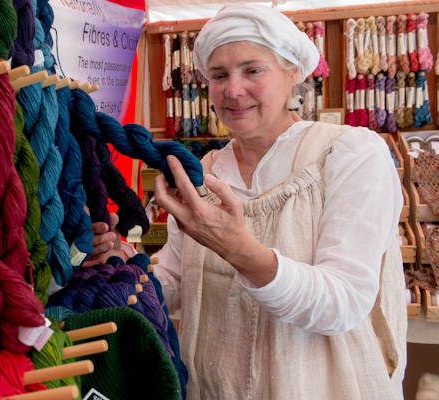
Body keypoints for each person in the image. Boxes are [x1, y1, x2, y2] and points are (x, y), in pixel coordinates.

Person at [89, 4, 407, 399]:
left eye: (252, 70)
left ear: (293, 74)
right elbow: (174, 283)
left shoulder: (348, 154)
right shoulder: (205, 171)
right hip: (212, 387)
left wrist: (237, 249)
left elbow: (342, 303)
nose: (233, 90)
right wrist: (123, 267)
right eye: (219, 75)